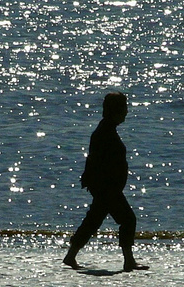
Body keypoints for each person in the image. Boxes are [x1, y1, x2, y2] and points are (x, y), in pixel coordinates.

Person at [63, 92, 148, 272]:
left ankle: (70, 256)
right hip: (107, 187)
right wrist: (96, 183)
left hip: (106, 186)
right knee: (128, 219)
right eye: (124, 108)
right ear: (116, 110)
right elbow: (95, 160)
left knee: (93, 220)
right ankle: (129, 261)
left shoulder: (106, 129)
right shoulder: (104, 132)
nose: (127, 112)